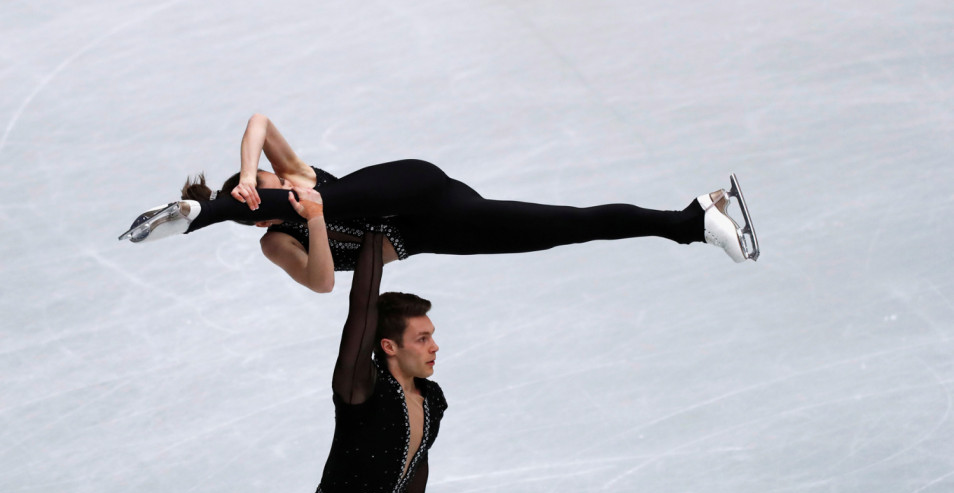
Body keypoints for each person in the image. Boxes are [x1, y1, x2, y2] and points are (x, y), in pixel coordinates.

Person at [119, 114, 759, 293]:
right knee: (563, 227)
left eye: (259, 181)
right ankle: (691, 222)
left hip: (411, 185)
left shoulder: (291, 175)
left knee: (320, 193)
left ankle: (197, 216)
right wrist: (309, 224)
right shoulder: (274, 239)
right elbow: (320, 284)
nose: (270, 186)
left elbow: (258, 118)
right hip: (431, 225)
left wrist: (245, 177)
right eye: (257, 195)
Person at [283, 230, 447, 493]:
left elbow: (416, 460)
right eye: (422, 338)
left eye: (432, 336)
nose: (435, 346)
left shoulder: (431, 397)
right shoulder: (361, 388)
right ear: (389, 346)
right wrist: (373, 236)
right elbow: (361, 310)